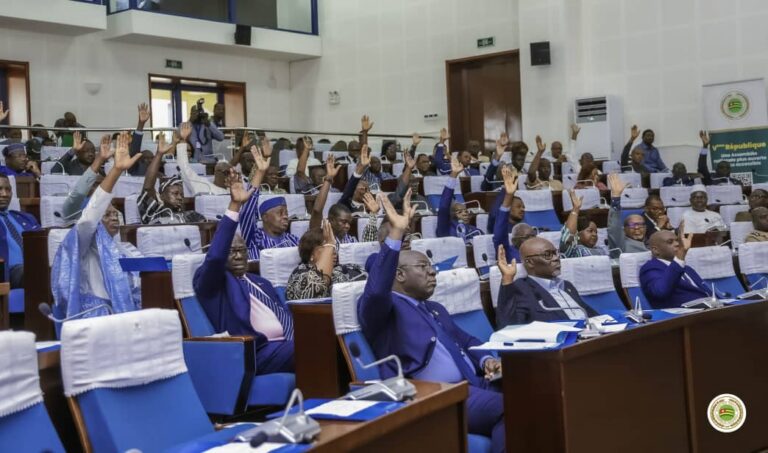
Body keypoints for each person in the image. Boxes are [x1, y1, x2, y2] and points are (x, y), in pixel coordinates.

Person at [358, 193, 505, 453]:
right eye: (423, 267)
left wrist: (487, 360)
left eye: (431, 266)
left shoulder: (434, 308)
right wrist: (396, 234)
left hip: (473, 383)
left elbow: (467, 341)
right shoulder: (383, 308)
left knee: (535, 385)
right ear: (400, 275)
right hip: (434, 395)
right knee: (508, 408)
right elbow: (377, 289)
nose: (433, 271)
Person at [193, 178, 294, 374]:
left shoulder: (261, 282)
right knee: (311, 347)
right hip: (253, 352)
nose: (239, 255)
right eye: (232, 251)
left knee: (321, 339)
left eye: (242, 250)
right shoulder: (213, 284)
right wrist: (235, 206)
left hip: (284, 344)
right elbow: (215, 258)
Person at [51, 132, 143, 321]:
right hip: (96, 316)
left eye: (114, 213)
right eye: (106, 214)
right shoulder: (84, 243)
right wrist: (115, 170)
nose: (114, 218)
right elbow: (88, 219)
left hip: (129, 316)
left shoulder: (126, 249)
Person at [496, 237, 597, 325]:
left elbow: (591, 315)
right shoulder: (522, 288)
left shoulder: (567, 285)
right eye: (548, 255)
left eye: (556, 253)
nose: (557, 258)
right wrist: (507, 279)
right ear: (530, 262)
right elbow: (509, 327)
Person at [239, 147, 299, 260]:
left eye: (286, 212)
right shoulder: (254, 238)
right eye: (280, 213)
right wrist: (260, 172)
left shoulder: (293, 240)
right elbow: (247, 212)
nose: (286, 216)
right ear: (265, 217)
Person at [285, 221, 366, 300]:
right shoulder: (301, 273)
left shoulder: (347, 267)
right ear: (311, 255)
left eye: (334, 247)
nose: (333, 251)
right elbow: (317, 286)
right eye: (326, 247)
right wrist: (329, 245)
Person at [137, 133, 206, 224]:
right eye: (175, 193)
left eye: (182, 195)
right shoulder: (153, 213)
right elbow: (148, 187)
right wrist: (159, 154)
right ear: (162, 196)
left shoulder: (191, 215)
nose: (180, 198)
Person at [640, 227, 714, 309]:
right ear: (655, 250)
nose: (677, 244)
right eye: (670, 242)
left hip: (711, 308)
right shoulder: (650, 268)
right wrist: (680, 257)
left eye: (677, 240)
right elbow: (661, 292)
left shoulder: (687, 268)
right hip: (685, 317)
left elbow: (705, 292)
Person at [0, 173, 40, 288]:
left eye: (8, 190)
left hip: (34, 266)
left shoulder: (26, 218)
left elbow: (42, 242)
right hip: (8, 272)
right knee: (34, 271)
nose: (4, 194)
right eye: (0, 189)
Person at [436, 156, 483, 243]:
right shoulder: (445, 228)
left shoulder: (476, 230)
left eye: (465, 211)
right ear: (451, 215)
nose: (465, 213)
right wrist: (454, 174)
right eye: (459, 212)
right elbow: (443, 206)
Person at [176, 122, 231, 195]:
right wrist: (183, 139)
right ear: (216, 172)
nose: (231, 176)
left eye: (232, 173)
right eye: (226, 172)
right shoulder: (204, 186)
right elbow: (184, 168)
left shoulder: (236, 191)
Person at [606, 174, 647, 257]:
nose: (637, 227)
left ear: (646, 227)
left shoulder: (652, 243)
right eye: (632, 225)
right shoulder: (621, 245)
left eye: (640, 224)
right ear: (624, 229)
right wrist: (616, 198)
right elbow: (614, 229)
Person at [493, 167, 528, 262]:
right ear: (514, 240)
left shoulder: (538, 250)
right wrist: (509, 195)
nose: (523, 209)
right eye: (519, 206)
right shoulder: (509, 251)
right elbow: (500, 236)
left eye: (532, 237)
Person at [560, 190, 605, 257]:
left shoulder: (600, 250)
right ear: (577, 234)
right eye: (590, 231)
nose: (594, 234)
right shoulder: (573, 251)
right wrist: (575, 209)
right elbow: (568, 236)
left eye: (596, 232)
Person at [338, 144, 372, 213]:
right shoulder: (345, 204)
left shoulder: (372, 207)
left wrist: (373, 213)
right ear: (353, 190)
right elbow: (348, 191)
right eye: (362, 189)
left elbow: (372, 224)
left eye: (367, 189)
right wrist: (360, 169)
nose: (366, 192)